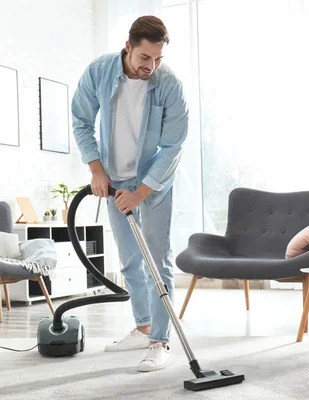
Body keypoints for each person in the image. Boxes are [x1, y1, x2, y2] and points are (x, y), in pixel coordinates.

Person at [71, 15, 189, 372]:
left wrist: (140, 192)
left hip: (153, 183)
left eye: (158, 59)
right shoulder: (100, 72)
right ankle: (143, 327)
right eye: (144, 59)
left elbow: (173, 145)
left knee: (157, 261)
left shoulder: (169, 84)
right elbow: (80, 119)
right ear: (128, 47)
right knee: (129, 262)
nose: (151, 67)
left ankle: (160, 341)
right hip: (113, 180)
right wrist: (96, 169)